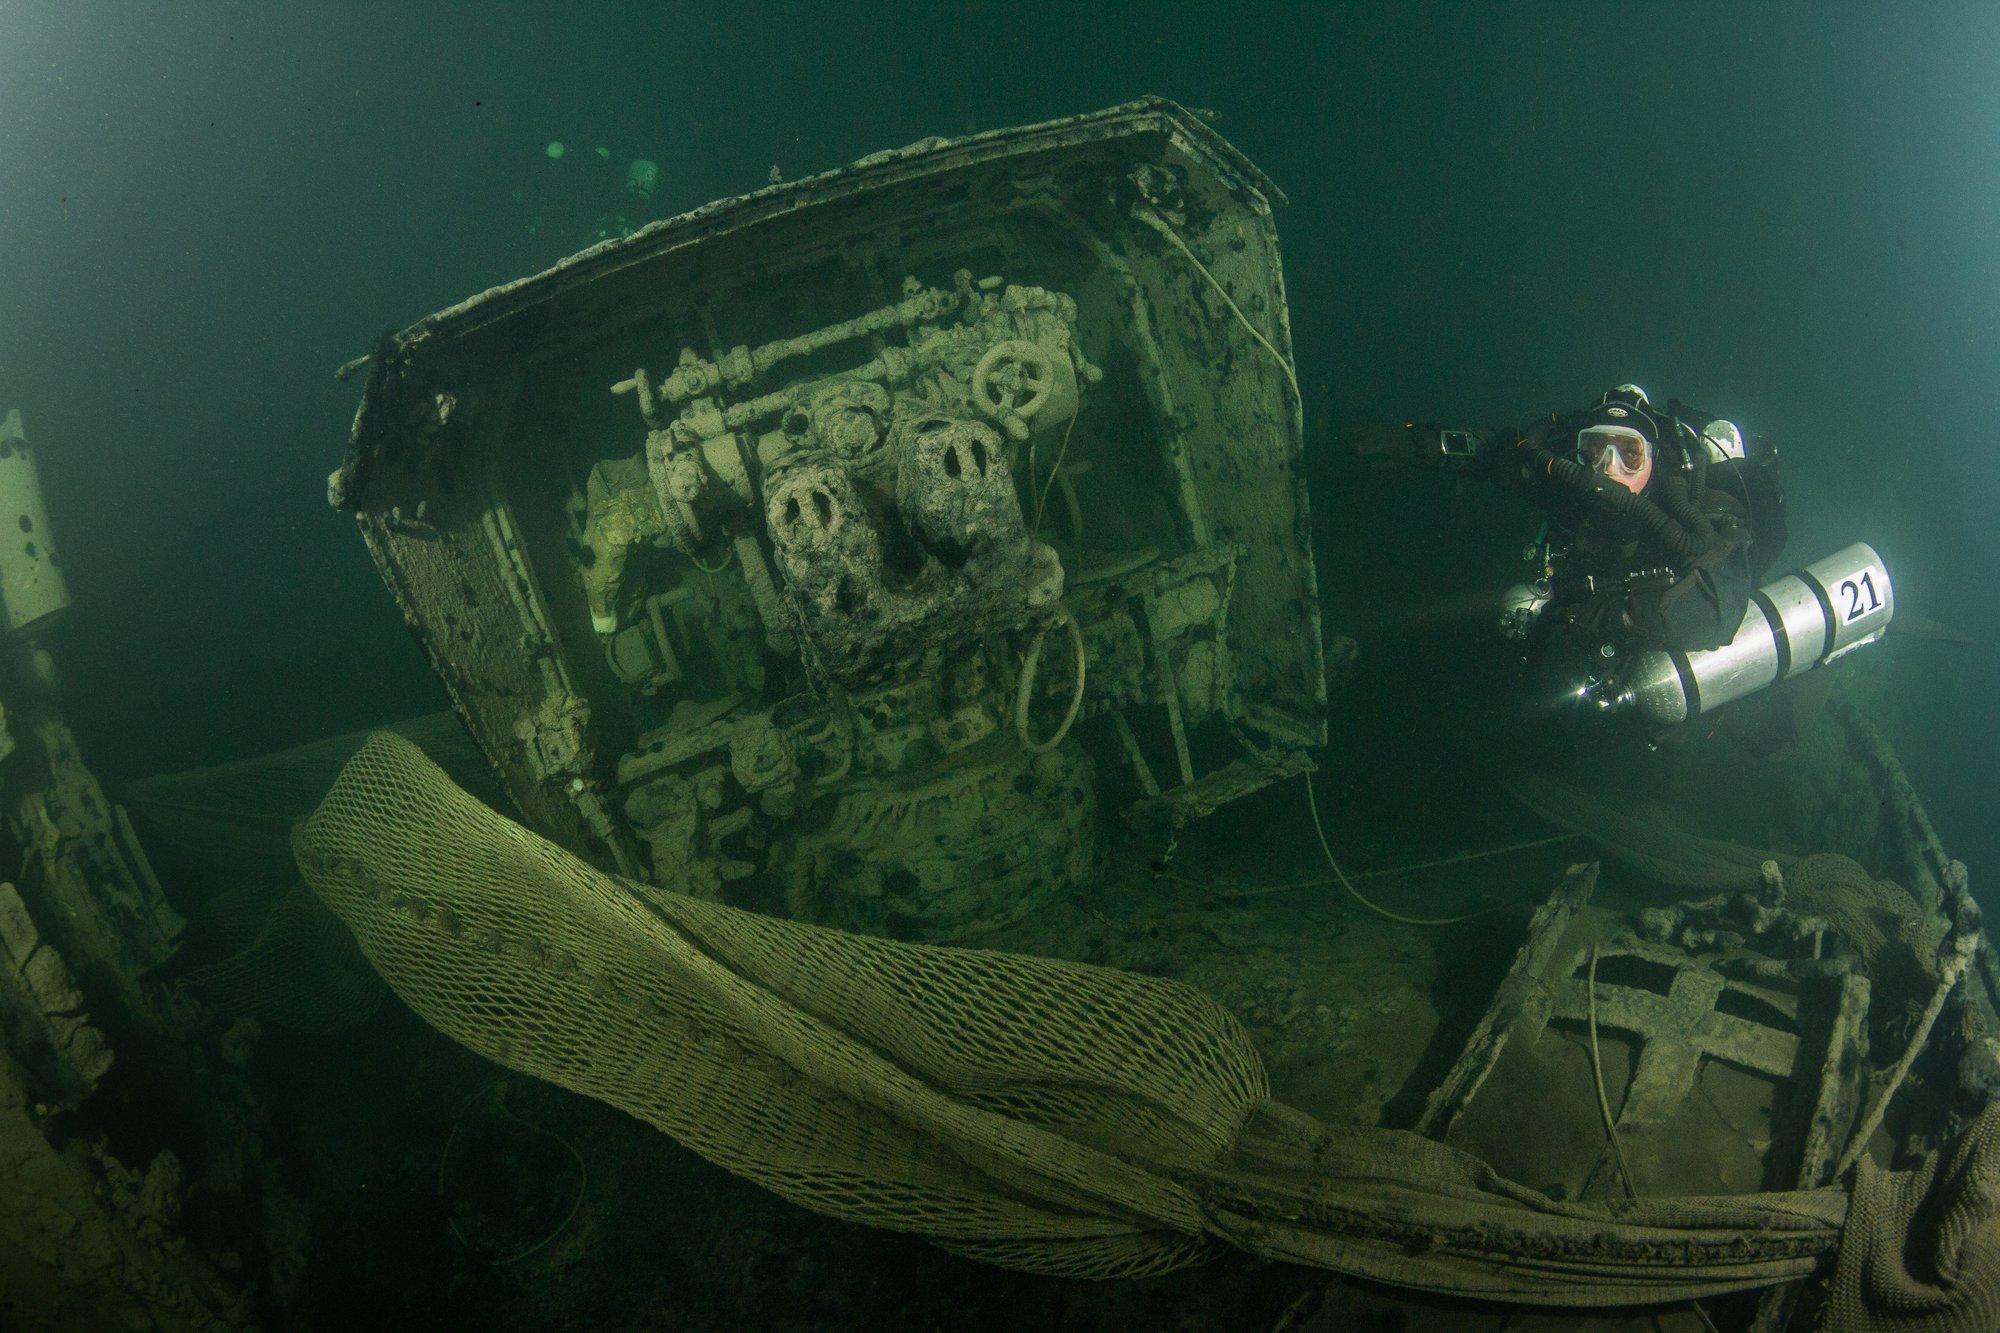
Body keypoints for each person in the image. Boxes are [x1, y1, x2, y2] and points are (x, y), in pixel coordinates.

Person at [1354, 384, 1787, 723]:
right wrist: (1420, 446)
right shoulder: (1574, 487)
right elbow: (1499, 456)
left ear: (1656, 461)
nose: (1608, 468)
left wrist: (1610, 612)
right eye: (1597, 450)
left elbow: (1720, 611)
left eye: (1630, 454)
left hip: (1648, 655)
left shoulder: (1692, 507)